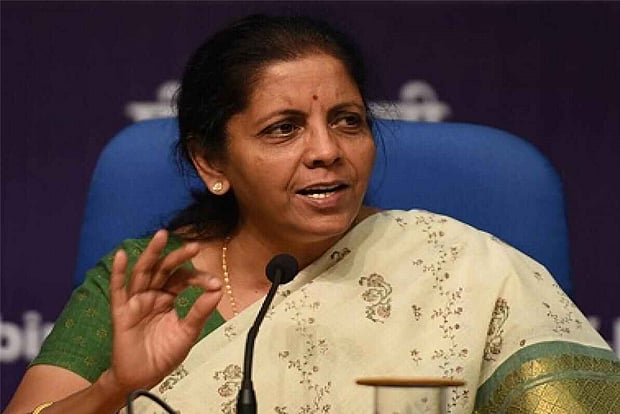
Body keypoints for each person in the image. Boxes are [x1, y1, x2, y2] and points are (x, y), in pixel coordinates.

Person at [4, 14, 619, 414]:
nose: (327, 150)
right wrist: (115, 388)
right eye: (284, 128)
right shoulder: (152, 282)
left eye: (348, 121)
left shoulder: (460, 269)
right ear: (211, 161)